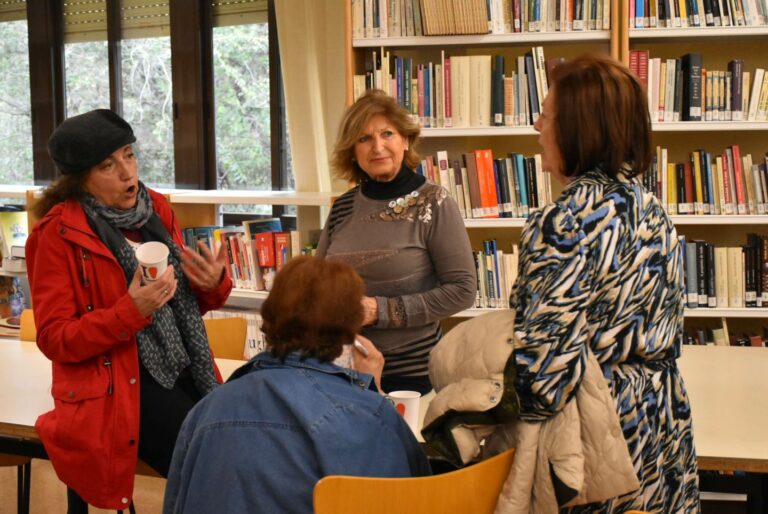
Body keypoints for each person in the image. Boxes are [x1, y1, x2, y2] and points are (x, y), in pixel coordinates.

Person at [510, 54, 699, 512]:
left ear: (579, 128)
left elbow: (544, 377)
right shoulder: (651, 208)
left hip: (600, 435)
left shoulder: (564, 222)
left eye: (548, 115)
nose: (537, 126)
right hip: (660, 418)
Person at [25, 109, 232, 511]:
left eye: (128, 155)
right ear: (80, 179)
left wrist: (212, 285)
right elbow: (55, 338)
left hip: (185, 366)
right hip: (116, 387)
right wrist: (129, 312)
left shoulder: (155, 209)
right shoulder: (55, 235)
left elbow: (182, 304)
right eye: (107, 165)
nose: (126, 172)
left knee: (244, 447)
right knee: (214, 466)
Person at [163, 256, 431, 514]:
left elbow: (176, 501)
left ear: (269, 315)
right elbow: (406, 498)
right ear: (350, 329)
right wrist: (375, 390)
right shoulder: (366, 415)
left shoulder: (204, 410)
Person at [316, 89, 476, 395]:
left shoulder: (434, 202)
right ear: (353, 151)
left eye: (387, 134)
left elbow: (463, 291)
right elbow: (317, 280)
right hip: (342, 369)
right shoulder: (343, 207)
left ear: (406, 140)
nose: (377, 147)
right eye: (364, 139)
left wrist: (380, 310)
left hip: (411, 376)